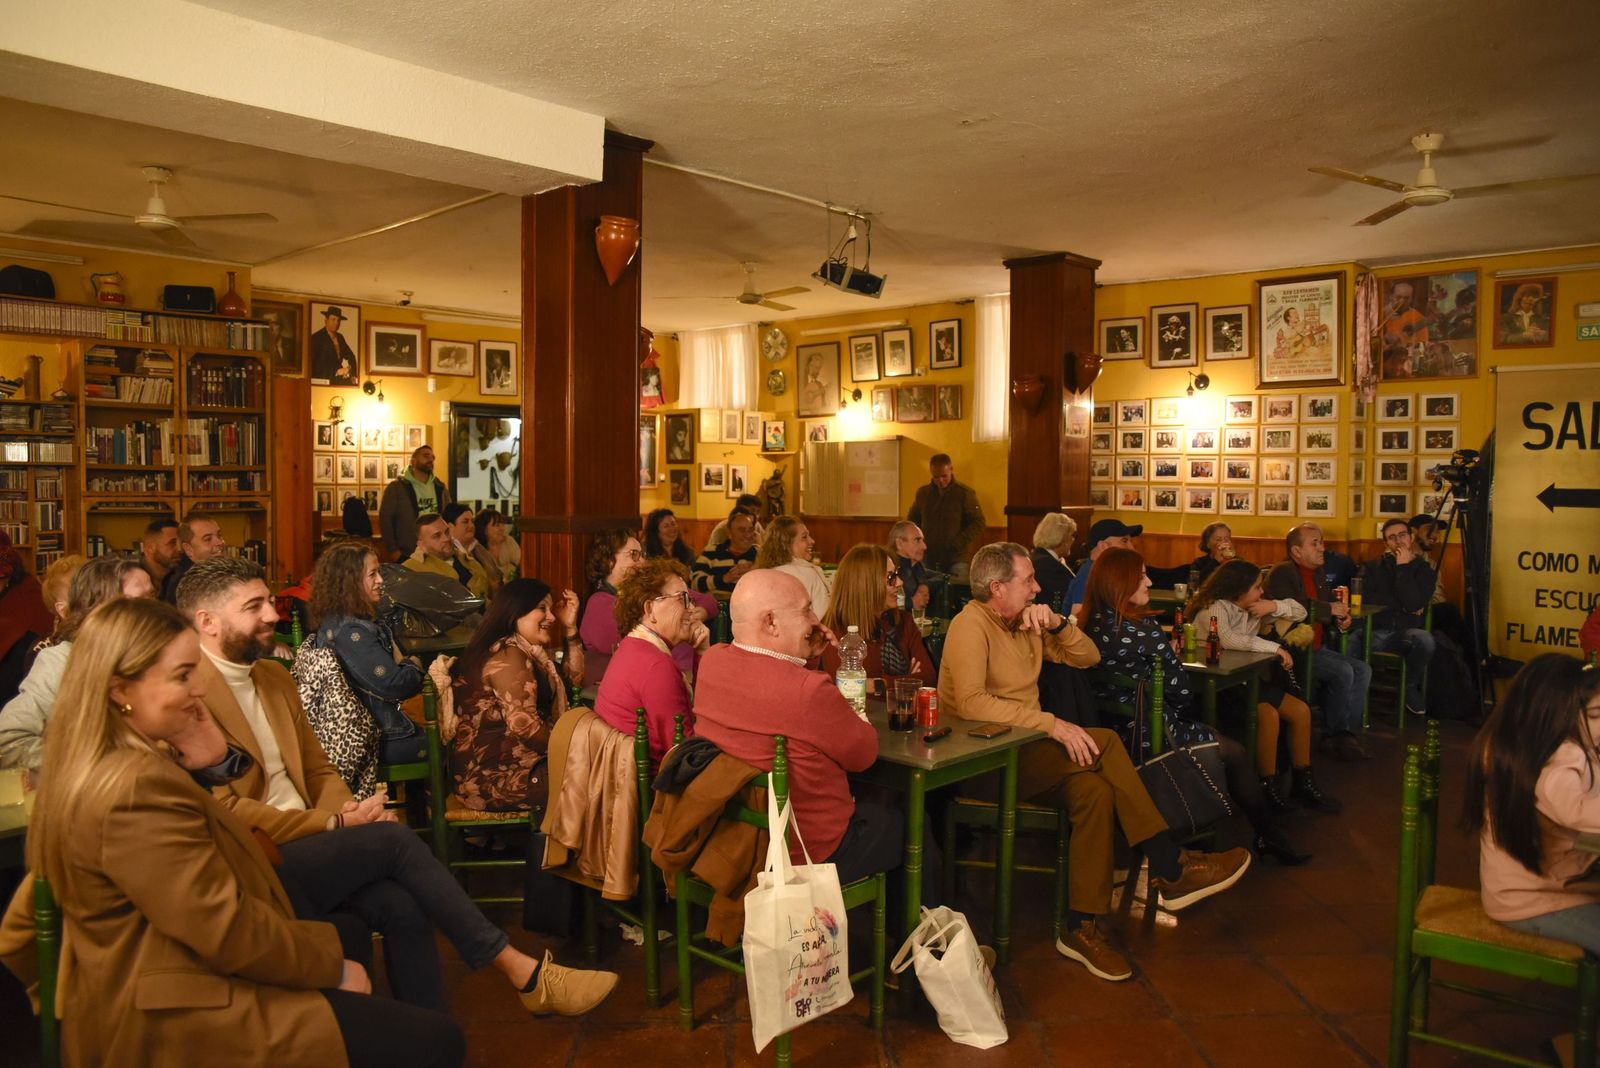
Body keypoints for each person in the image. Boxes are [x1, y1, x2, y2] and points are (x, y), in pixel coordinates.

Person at [0, 597, 466, 1067]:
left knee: (360, 918)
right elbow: (224, 930)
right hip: (169, 1017)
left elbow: (19, 935)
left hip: (166, 979)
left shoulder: (103, 765)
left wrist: (206, 759)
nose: (200, 687)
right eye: (183, 675)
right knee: (436, 1040)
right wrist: (329, 969)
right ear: (121, 689)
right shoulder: (133, 786)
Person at [175, 557, 616, 1016]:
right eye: (255, 606)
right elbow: (225, 811)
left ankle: (427, 1032)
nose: (274, 613)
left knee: (400, 905)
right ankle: (520, 969)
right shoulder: (191, 695)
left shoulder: (271, 678)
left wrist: (349, 815)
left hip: (310, 841)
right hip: (254, 855)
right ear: (207, 622)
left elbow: (319, 769)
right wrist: (335, 822)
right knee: (395, 840)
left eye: (269, 601)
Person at [939, 542, 1250, 981]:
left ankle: (1080, 925)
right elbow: (970, 703)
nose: (1037, 587)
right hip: (981, 761)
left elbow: (1089, 656)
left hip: (1026, 755)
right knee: (1101, 742)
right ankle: (1169, 864)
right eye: (1027, 581)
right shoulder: (969, 626)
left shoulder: (1027, 624)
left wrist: (1057, 623)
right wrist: (1051, 724)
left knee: (1094, 792)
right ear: (997, 587)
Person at [1080, 549, 1310, 865]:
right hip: (1153, 736)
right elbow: (1182, 692)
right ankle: (1264, 833)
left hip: (1109, 737)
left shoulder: (1087, 625)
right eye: (1142, 575)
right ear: (1120, 583)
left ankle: (1258, 829)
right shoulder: (1144, 631)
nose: (1148, 581)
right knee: (1235, 752)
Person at [694, 570, 904, 885]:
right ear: (770, 622)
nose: (816, 618)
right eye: (806, 610)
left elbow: (778, 696)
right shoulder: (807, 691)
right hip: (807, 852)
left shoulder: (711, 662)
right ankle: (924, 931)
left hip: (732, 841)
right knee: (909, 823)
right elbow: (864, 755)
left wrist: (807, 657)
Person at [1464, 654, 1600, 953]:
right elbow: (1575, 809)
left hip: (1533, 886)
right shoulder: (1556, 757)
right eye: (1597, 714)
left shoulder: (1523, 745)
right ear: (1558, 712)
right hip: (1536, 900)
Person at [1184, 559, 1341, 813]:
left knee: (1301, 711)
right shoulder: (1216, 608)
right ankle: (1266, 788)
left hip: (1245, 679)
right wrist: (1274, 647)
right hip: (1220, 684)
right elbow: (1229, 639)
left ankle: (1304, 783)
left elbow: (1300, 612)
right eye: (1257, 587)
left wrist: (1273, 605)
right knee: (1267, 714)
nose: (1261, 592)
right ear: (1238, 588)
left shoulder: (1253, 606)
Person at [0, 556, 155, 770]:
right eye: (139, 601)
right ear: (100, 609)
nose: (155, 610)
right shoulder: (62, 661)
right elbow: (8, 742)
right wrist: (100, 762)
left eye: (152, 596)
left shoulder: (160, 653)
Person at [449, 578, 582, 816]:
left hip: (517, 765)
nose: (551, 617)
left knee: (600, 769)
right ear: (515, 612)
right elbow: (526, 729)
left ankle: (569, 851)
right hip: (493, 777)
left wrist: (570, 629)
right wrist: (577, 749)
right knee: (596, 776)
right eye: (542, 608)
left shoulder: (524, 651)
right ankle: (559, 852)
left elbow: (572, 682)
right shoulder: (508, 656)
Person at [299, 541, 427, 766]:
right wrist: (413, 665)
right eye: (372, 574)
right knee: (451, 743)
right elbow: (395, 685)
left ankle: (418, 801)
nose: (380, 580)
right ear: (350, 582)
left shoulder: (339, 620)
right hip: (375, 738)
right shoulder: (350, 631)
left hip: (371, 731)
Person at [1265, 524, 1374, 761]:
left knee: (1363, 669)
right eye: (1315, 543)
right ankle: (1333, 736)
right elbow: (1293, 607)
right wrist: (1329, 609)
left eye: (1322, 542)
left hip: (1317, 646)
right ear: (1296, 551)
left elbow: (1327, 606)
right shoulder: (1283, 572)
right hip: (1293, 650)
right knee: (1344, 670)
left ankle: (1346, 733)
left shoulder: (1317, 572)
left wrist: (1341, 620)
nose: (1322, 548)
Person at [593, 558, 709, 763]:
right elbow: (685, 754)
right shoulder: (656, 666)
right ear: (649, 609)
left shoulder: (632, 646)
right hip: (653, 788)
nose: (691, 608)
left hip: (626, 777)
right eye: (682, 598)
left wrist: (701, 653)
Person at [818, 544, 935, 686]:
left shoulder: (904, 622)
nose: (900, 582)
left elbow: (928, 677)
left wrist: (878, 684)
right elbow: (849, 689)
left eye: (897, 574)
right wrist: (907, 679)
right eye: (891, 577)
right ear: (866, 585)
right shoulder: (835, 632)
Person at [1359, 519, 1440, 716]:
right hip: (1375, 629)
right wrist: (1402, 603)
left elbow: (1413, 604)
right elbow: (1365, 599)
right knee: (1351, 642)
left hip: (1404, 633)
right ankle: (1355, 700)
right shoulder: (1372, 568)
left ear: (1411, 537)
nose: (1399, 541)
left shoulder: (1424, 571)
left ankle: (1409, 685)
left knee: (1426, 640)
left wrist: (1403, 568)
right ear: (1386, 543)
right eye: (1392, 538)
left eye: (1402, 535)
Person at [577, 528, 644, 686]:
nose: (642, 562)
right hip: (619, 686)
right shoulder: (599, 603)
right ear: (608, 561)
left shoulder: (632, 594)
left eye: (642, 555)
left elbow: (707, 602)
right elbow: (630, 650)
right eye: (634, 554)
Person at [907, 453, 986, 574]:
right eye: (936, 477)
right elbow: (912, 520)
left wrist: (958, 543)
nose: (940, 481)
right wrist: (918, 541)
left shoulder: (964, 493)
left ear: (951, 470)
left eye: (944, 476)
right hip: (928, 553)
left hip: (956, 556)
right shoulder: (923, 493)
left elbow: (978, 522)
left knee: (957, 589)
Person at [379, 446, 453, 562]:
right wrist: (393, 550)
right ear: (413, 461)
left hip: (438, 552)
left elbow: (449, 516)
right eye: (425, 456)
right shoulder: (397, 488)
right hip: (408, 552)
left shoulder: (440, 487)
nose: (430, 459)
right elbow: (386, 519)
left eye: (432, 457)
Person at [753, 515, 831, 613]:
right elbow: (824, 618)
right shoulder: (810, 575)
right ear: (786, 543)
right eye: (804, 537)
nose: (812, 541)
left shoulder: (760, 575)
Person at [1066, 518, 1140, 613]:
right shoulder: (1089, 574)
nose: (1132, 548)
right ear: (1103, 546)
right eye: (1124, 541)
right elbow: (1078, 617)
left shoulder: (1102, 571)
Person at [160, 511, 227, 604]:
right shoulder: (183, 584)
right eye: (208, 539)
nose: (219, 542)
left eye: (219, 535)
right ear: (188, 549)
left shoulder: (221, 573)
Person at [404, 513, 474, 598]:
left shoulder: (467, 560)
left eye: (447, 532)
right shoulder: (410, 570)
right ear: (421, 544)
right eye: (437, 536)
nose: (446, 538)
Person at [692, 509, 758, 594]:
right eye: (742, 530)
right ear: (729, 533)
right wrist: (725, 578)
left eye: (750, 530)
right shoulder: (712, 551)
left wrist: (754, 572)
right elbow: (695, 583)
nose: (748, 535)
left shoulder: (760, 554)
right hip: (717, 605)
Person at [442, 502, 494, 599]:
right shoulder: (447, 553)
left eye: (472, 521)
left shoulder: (478, 547)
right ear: (450, 527)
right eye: (465, 522)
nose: (471, 525)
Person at [1029, 512, 1078, 611]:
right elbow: (1067, 601)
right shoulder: (1048, 566)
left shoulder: (1039, 557)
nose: (1073, 540)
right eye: (1071, 536)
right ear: (1062, 538)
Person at [888, 519, 937, 615]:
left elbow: (942, 577)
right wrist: (911, 603)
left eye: (923, 540)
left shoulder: (916, 565)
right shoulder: (886, 568)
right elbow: (876, 600)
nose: (924, 546)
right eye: (917, 540)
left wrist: (924, 586)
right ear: (899, 544)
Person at [310, 305, 358, 384]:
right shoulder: (316, 338)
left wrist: (353, 374)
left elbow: (351, 356)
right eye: (333, 319)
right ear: (326, 320)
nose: (336, 323)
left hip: (339, 379)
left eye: (338, 320)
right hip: (323, 380)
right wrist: (336, 372)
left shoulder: (340, 337)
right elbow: (315, 366)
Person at [478, 507, 521, 584]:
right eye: (497, 525)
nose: (502, 528)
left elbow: (521, 566)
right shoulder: (478, 548)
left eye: (502, 524)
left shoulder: (509, 541)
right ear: (484, 529)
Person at [138, 516, 181, 590]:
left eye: (181, 543)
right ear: (150, 548)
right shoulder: (132, 579)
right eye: (172, 543)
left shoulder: (181, 577)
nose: (180, 549)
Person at [1188, 522, 1236, 587]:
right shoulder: (1199, 563)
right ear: (1208, 544)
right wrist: (1215, 561)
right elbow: (1194, 585)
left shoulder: (1239, 562)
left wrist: (1233, 559)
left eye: (1227, 539)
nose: (1224, 542)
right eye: (1218, 539)